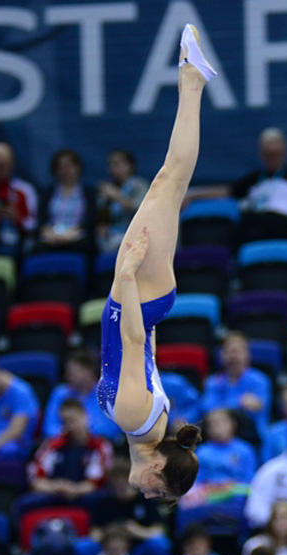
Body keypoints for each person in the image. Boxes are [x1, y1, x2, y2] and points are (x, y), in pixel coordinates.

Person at [94, 25, 216, 501]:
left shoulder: (148, 424)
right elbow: (132, 338)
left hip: (146, 299)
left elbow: (147, 355)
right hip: (138, 294)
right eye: (155, 490)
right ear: (160, 465)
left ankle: (193, 80)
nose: (145, 492)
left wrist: (138, 294)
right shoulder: (131, 418)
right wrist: (127, 276)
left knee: (169, 182)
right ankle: (193, 81)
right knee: (170, 179)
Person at [220, 127, 287, 243]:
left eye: (276, 154)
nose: (273, 159)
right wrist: (196, 195)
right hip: (259, 224)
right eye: (269, 154)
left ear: (285, 152)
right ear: (261, 154)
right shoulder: (254, 178)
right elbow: (228, 192)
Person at [84, 457, 171, 555]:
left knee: (160, 544)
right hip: (109, 547)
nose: (120, 482)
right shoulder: (102, 502)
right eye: (116, 479)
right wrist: (111, 534)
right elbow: (94, 533)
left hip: (137, 546)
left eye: (124, 478)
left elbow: (158, 530)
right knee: (84, 546)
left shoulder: (146, 500)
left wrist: (136, 531)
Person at [27, 399, 114, 502]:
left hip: (85, 498)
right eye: (65, 422)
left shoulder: (100, 446)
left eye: (73, 420)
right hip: (53, 495)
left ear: (86, 417)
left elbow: (97, 482)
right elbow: (36, 479)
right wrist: (55, 487)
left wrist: (75, 489)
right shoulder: (52, 445)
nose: (70, 426)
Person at [201, 332, 272, 441]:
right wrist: (239, 402)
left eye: (237, 351)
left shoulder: (260, 380)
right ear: (221, 356)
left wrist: (223, 406)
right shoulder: (213, 382)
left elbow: (258, 407)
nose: (233, 356)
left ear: (248, 354)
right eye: (228, 351)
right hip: (218, 436)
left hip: (253, 437)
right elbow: (208, 409)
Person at [44, 351, 122, 441]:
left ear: (88, 372)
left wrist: (81, 432)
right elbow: (49, 428)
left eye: (72, 373)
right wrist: (69, 433)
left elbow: (111, 429)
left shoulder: (107, 394)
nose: (67, 376)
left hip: (96, 445)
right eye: (68, 373)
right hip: (64, 445)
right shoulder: (59, 393)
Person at [37, 148, 97, 253]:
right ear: (55, 170)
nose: (65, 170)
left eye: (69, 166)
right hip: (51, 236)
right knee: (35, 248)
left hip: (77, 236)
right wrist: (49, 232)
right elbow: (41, 219)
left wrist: (71, 234)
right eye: (61, 167)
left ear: (78, 168)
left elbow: (90, 220)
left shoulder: (89, 193)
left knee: (87, 246)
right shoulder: (47, 193)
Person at [99, 149, 150, 252]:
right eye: (110, 165)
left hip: (136, 233)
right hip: (113, 234)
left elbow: (141, 209)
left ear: (129, 166)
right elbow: (104, 216)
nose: (112, 169)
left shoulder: (139, 185)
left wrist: (116, 195)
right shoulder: (109, 186)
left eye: (116, 164)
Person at [195, 408, 258, 487]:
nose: (218, 429)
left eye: (223, 423)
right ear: (207, 430)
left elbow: (251, 480)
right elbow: (196, 482)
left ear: (233, 424)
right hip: (209, 496)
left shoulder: (245, 450)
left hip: (239, 496)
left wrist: (233, 486)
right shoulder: (201, 452)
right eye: (213, 425)